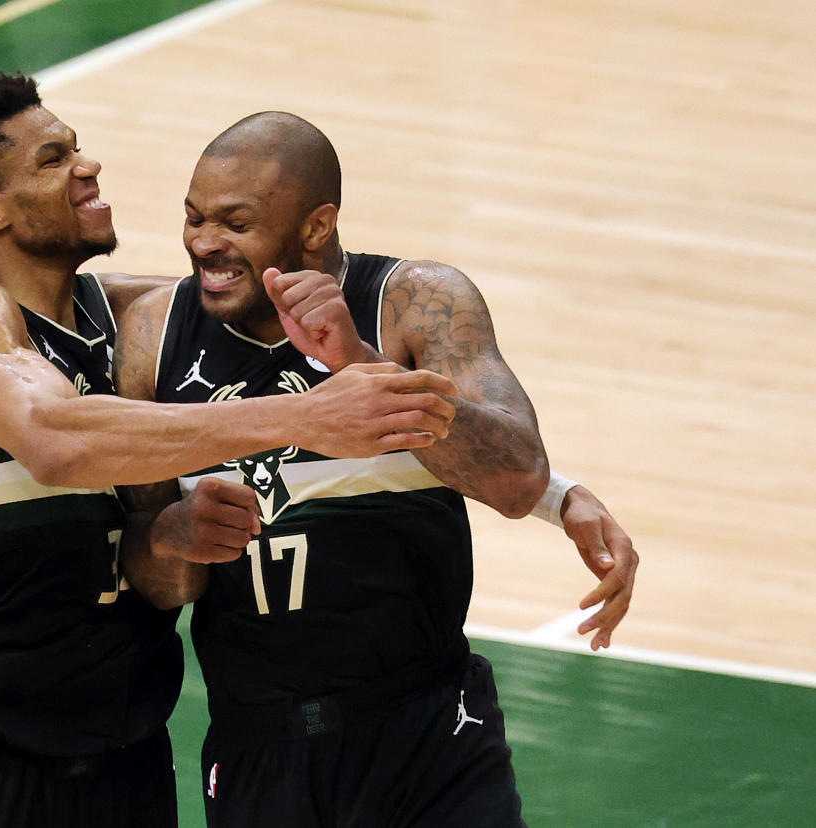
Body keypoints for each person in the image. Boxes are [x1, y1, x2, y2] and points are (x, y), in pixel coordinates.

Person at [0, 75, 460, 828]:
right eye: (52, 159)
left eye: (76, 147)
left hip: (122, 758)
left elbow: (255, 286)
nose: (87, 167)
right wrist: (304, 415)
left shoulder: (122, 317)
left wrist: (552, 492)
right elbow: (54, 439)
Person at [115, 111, 639, 827]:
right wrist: (172, 539)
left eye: (234, 222)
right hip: (257, 741)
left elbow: (516, 478)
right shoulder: (153, 334)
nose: (205, 242)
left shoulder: (416, 303)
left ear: (316, 225)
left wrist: (361, 365)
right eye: (194, 216)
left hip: (428, 729)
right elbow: (159, 583)